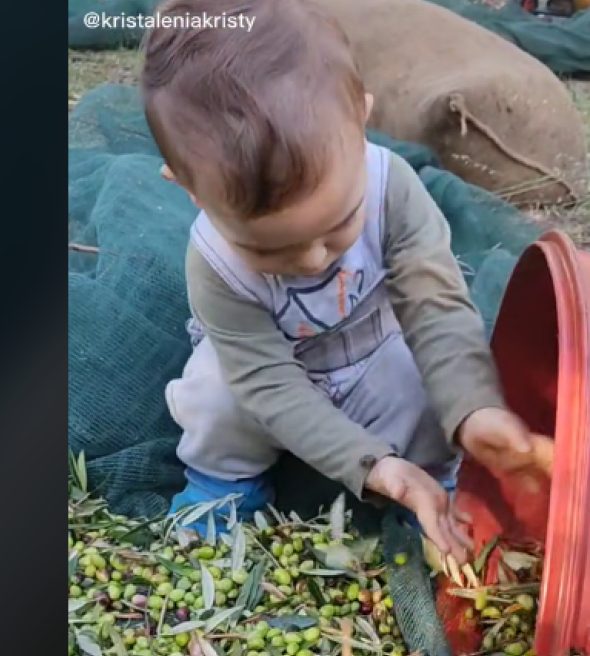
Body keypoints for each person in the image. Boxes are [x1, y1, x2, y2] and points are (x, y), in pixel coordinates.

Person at [141, 0, 549, 562]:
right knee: (216, 397)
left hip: (372, 341)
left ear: (362, 118)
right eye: (266, 247)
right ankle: (226, 484)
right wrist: (376, 468)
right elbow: (269, 384)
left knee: (424, 384)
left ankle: (436, 480)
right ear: (188, 189)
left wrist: (472, 408)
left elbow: (435, 307)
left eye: (337, 228)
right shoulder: (212, 263)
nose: (312, 261)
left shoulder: (395, 189)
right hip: (269, 368)